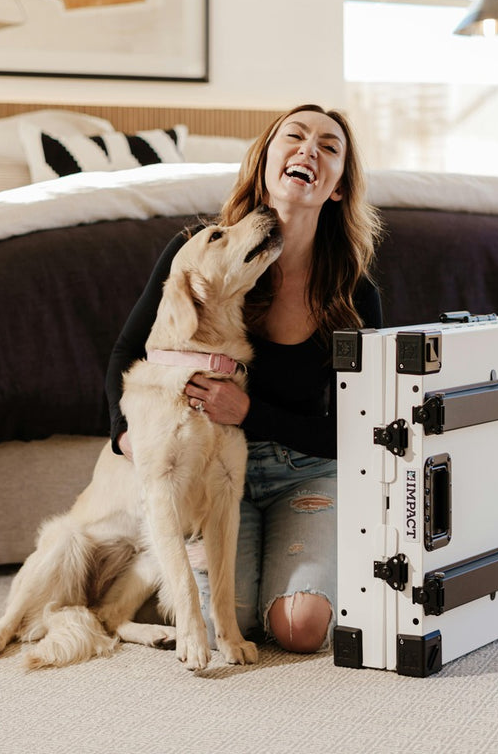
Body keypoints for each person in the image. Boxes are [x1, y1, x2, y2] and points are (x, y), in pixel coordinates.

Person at [105, 104, 382, 653]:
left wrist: (251, 413)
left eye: (329, 147)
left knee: (299, 629)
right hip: (210, 474)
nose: (310, 150)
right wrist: (123, 434)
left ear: (336, 188)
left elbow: (365, 429)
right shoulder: (202, 253)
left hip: (305, 474)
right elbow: (126, 353)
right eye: (295, 137)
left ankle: (320, 568)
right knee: (218, 627)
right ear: (265, 162)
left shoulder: (355, 296)